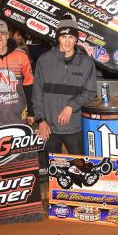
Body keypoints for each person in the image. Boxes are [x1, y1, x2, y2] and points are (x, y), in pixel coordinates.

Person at [32, 16, 97, 171]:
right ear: (58, 38)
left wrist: (70, 107)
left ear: (76, 39)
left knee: (79, 168)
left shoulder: (86, 62)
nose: (67, 41)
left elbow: (91, 91)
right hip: (49, 127)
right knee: (55, 171)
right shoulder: (44, 60)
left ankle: (79, 194)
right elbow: (37, 93)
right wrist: (40, 120)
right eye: (63, 37)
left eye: (71, 37)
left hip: (75, 125)